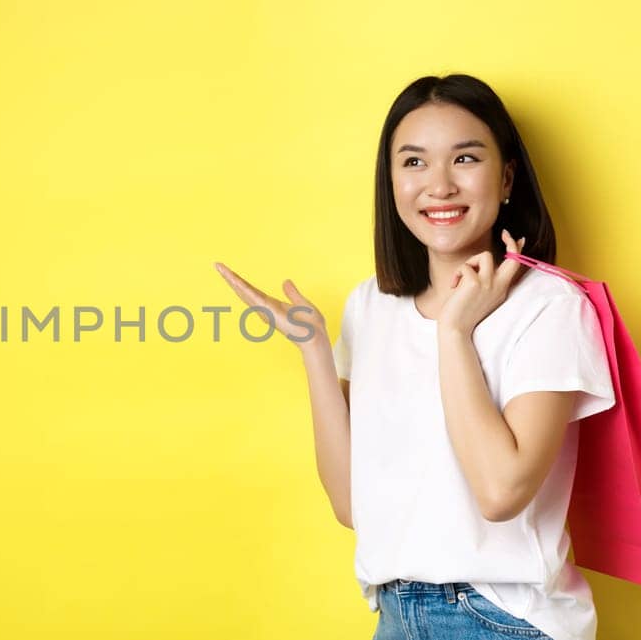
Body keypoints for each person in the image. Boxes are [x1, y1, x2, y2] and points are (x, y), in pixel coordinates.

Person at [214, 74, 616, 640]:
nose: (440, 185)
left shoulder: (550, 308)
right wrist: (313, 350)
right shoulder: (371, 305)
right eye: (414, 162)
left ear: (506, 179)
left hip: (502, 619)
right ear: (391, 181)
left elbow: (501, 493)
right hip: (396, 615)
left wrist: (454, 333)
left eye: (466, 158)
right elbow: (353, 506)